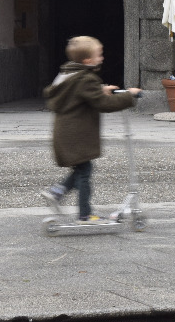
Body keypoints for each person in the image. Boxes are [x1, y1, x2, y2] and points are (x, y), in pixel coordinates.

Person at [40, 36, 140, 222]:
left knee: (82, 169)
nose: (102, 58)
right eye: (99, 55)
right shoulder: (86, 79)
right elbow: (103, 104)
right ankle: (84, 214)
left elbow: (78, 94)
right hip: (77, 137)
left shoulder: (68, 75)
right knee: (84, 173)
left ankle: (57, 192)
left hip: (65, 133)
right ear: (88, 60)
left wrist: (100, 89)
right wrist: (129, 96)